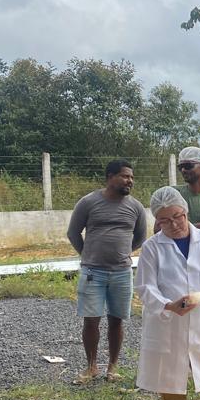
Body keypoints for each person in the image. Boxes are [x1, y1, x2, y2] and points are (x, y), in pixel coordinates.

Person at [136, 187, 200, 400]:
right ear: (157, 221)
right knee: (172, 393)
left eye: (177, 217)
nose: (173, 225)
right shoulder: (152, 247)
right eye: (164, 221)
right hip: (169, 327)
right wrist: (168, 305)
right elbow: (145, 287)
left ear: (186, 212)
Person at [67, 160, 148, 383]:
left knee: (117, 320)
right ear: (110, 177)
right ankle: (91, 366)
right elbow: (73, 232)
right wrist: (87, 255)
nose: (129, 181)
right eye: (124, 176)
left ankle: (112, 368)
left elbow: (140, 236)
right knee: (91, 320)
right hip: (93, 272)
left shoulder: (136, 207)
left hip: (122, 272)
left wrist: (122, 252)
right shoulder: (89, 202)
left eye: (131, 177)